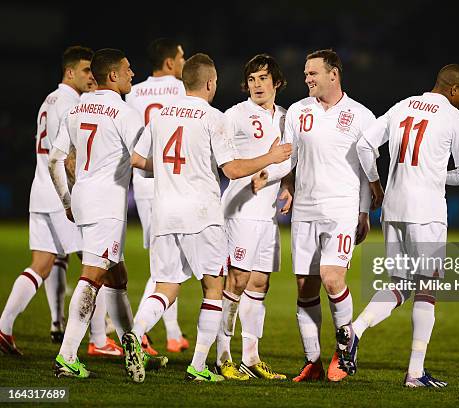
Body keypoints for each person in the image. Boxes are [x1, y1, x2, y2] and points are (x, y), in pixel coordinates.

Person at [130, 53, 292, 383]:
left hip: (163, 212)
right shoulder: (216, 116)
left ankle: (135, 333)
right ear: (209, 82)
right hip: (202, 214)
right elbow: (232, 170)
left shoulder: (161, 115)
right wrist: (271, 157)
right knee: (214, 287)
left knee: (166, 286)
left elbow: (137, 158)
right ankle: (201, 365)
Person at [337, 64, 459, 388]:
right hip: (425, 212)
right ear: (454, 90)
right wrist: (434, 175)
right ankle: (415, 373)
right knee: (427, 290)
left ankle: (354, 330)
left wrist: (374, 183)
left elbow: (363, 146)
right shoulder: (455, 118)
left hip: (392, 208)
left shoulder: (403, 105)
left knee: (400, 285)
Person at [0, 46, 119, 357]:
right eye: (85, 71)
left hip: (38, 191)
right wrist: (77, 193)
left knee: (41, 264)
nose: (91, 76)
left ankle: (4, 326)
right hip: (58, 195)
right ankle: (98, 340)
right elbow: (66, 157)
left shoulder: (49, 100)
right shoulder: (69, 102)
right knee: (96, 264)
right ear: (69, 72)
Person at [49, 48, 158, 380]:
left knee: (117, 277)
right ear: (112, 75)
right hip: (107, 204)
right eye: (127, 70)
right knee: (94, 274)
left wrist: (67, 201)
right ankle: (67, 356)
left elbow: (55, 160)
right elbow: (143, 161)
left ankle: (131, 344)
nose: (132, 74)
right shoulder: (125, 114)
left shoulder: (76, 108)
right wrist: (177, 171)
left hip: (82, 198)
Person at [286, 49, 374, 382]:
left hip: (342, 209)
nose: (307, 79)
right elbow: (288, 157)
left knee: (332, 277)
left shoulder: (361, 115)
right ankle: (312, 362)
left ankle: (345, 347)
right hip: (305, 210)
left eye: (313, 73)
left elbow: (368, 171)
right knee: (305, 288)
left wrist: (363, 212)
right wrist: (284, 183)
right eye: (306, 74)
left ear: (333, 74)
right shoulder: (298, 111)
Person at [215, 54, 291, 381]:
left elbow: (289, 159)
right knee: (237, 280)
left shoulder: (288, 118)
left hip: (267, 214)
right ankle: (221, 355)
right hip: (241, 210)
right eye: (251, 79)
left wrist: (285, 184)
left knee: (260, 282)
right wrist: (259, 169)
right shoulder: (234, 115)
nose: (257, 85)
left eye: (263, 78)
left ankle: (251, 357)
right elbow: (227, 164)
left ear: (276, 82)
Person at [126, 38, 188, 355]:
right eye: (181, 57)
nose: (184, 61)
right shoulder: (183, 91)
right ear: (169, 63)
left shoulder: (133, 93)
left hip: (143, 182)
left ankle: (173, 333)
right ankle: (140, 331)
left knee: (166, 262)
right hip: (172, 182)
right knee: (167, 265)